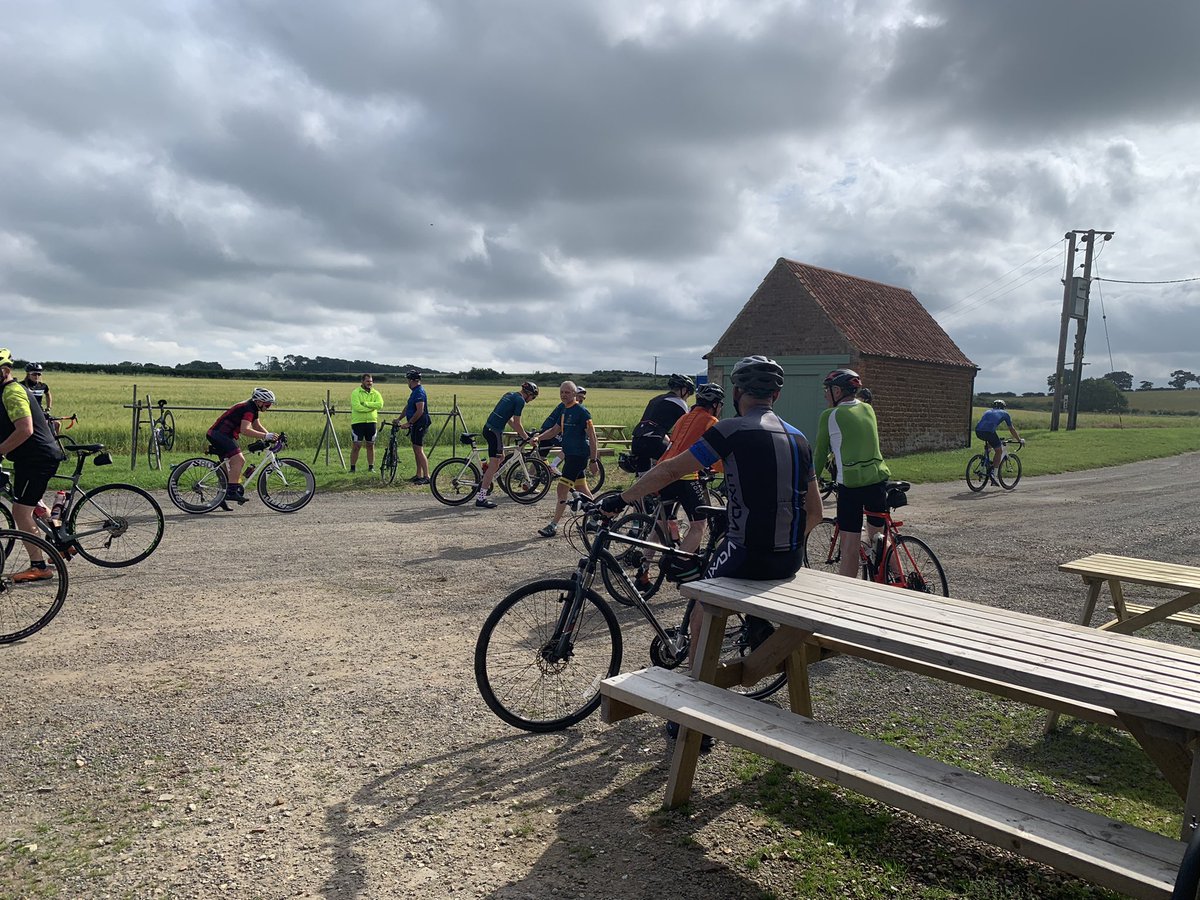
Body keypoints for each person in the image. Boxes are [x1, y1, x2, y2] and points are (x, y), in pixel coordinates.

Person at [601, 356, 822, 748]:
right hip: (788, 559)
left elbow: (670, 470)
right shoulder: (799, 437)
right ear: (777, 394)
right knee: (719, 564)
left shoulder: (731, 430)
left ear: (737, 394)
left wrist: (620, 497)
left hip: (744, 554)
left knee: (704, 602)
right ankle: (753, 621)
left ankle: (696, 715)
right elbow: (816, 512)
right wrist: (784, 546)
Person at [813, 368, 891, 579]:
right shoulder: (868, 408)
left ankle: (846, 596)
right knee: (879, 537)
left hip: (851, 485)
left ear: (837, 391)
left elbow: (820, 453)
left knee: (849, 547)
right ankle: (894, 576)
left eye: (826, 390)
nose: (824, 395)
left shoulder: (830, 414)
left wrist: (811, 480)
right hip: (878, 479)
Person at [0, 348, 67, 581]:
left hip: (37, 458)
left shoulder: (12, 393)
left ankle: (39, 566)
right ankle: (61, 541)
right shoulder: (6, 392)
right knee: (31, 501)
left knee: (20, 511)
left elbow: (25, 430)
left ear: (5, 371)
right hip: (31, 458)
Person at [654, 383, 726, 556]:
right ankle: (680, 564)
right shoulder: (711, 421)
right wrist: (725, 469)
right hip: (685, 476)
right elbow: (713, 452)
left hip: (663, 472)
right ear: (715, 404)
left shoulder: (683, 418)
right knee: (699, 526)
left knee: (660, 525)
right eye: (720, 405)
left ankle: (644, 568)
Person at [535, 381, 599, 537]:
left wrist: (593, 460)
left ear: (575, 394)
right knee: (582, 490)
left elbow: (592, 436)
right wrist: (539, 438)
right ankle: (596, 520)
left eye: (567, 392)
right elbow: (555, 430)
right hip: (570, 454)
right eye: (562, 392)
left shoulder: (582, 412)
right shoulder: (564, 410)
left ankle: (553, 525)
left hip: (578, 456)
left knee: (561, 488)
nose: (564, 395)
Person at [207, 388, 278, 505]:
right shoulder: (248, 408)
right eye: (268, 405)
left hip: (220, 434)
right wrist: (266, 436)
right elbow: (245, 430)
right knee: (239, 460)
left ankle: (222, 496)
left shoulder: (252, 407)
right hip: (221, 434)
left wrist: (271, 436)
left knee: (228, 467)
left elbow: (257, 426)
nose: (269, 407)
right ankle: (232, 492)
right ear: (259, 402)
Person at [475, 381, 539, 509]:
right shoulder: (520, 401)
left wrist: (522, 433)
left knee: (501, 457)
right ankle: (481, 498)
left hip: (489, 428)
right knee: (494, 465)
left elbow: (508, 419)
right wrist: (526, 438)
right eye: (533, 397)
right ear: (529, 394)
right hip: (495, 431)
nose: (532, 400)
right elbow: (517, 423)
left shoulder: (509, 394)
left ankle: (484, 479)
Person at [630, 374, 695, 474]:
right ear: (684, 389)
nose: (687, 397)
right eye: (688, 394)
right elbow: (687, 427)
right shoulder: (680, 402)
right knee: (674, 465)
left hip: (636, 440)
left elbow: (653, 424)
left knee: (644, 478)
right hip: (653, 442)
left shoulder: (655, 399)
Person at [974, 400, 1023, 485]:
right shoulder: (1005, 413)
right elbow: (1011, 429)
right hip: (989, 432)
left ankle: (984, 465)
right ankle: (994, 474)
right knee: (999, 451)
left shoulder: (988, 411)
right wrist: (1019, 440)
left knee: (991, 443)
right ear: (1004, 407)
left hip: (978, 431)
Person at [397, 370, 432, 484]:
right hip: (416, 423)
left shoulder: (419, 392)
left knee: (419, 449)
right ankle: (418, 474)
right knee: (416, 449)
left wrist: (409, 423)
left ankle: (427, 476)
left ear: (411, 380)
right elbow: (408, 407)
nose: (407, 382)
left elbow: (420, 410)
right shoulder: (414, 392)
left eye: (408, 380)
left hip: (420, 423)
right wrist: (399, 419)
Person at [349, 374, 384, 473]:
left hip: (371, 422)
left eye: (371, 381)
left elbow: (380, 404)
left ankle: (371, 467)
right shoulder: (356, 392)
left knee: (370, 445)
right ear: (362, 381)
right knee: (356, 446)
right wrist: (372, 408)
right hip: (358, 422)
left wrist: (366, 404)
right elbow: (357, 407)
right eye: (367, 381)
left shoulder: (376, 393)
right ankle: (352, 468)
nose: (370, 383)